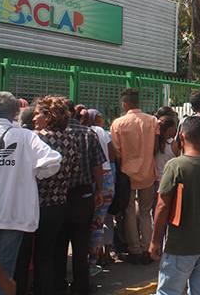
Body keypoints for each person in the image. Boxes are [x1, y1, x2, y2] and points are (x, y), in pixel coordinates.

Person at [0, 92, 61, 295]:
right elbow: (53, 161)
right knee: (4, 265)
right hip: (14, 210)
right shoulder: (27, 137)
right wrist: (36, 172)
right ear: (14, 113)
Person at [150, 116, 200, 295]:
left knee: (169, 291)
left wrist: (154, 240)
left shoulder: (175, 166)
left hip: (181, 244)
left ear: (181, 137)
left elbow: (162, 205)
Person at [13, 96, 80, 295]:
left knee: (23, 257)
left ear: (48, 116)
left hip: (32, 205)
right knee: (46, 257)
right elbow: (73, 174)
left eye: (37, 114)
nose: (34, 118)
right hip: (58, 205)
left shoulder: (35, 138)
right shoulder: (71, 140)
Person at [54, 100, 105, 295]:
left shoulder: (56, 135)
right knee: (81, 241)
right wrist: (99, 190)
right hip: (83, 194)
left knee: (59, 241)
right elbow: (98, 165)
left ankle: (59, 283)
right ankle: (81, 284)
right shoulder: (88, 134)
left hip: (59, 194)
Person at [110, 88, 159, 265]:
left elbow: (116, 153)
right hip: (148, 172)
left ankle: (134, 250)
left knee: (129, 212)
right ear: (138, 102)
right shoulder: (152, 121)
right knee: (146, 212)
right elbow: (155, 149)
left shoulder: (118, 123)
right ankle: (147, 248)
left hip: (126, 174)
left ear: (124, 105)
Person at [81, 109, 116, 277]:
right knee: (99, 223)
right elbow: (113, 156)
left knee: (84, 224)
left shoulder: (84, 133)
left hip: (89, 179)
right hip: (107, 179)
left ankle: (84, 259)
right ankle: (94, 261)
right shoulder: (101, 131)